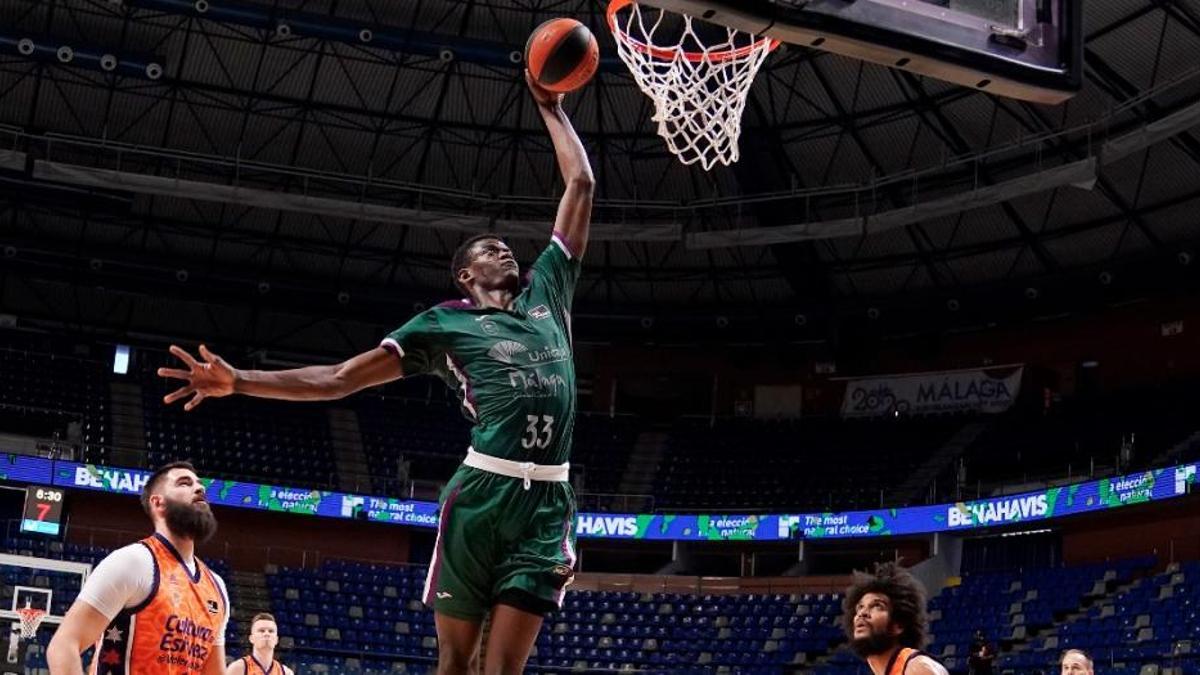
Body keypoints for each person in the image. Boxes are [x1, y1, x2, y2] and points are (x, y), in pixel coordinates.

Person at [156, 70, 593, 675]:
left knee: (503, 669)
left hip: (547, 498)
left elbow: (581, 181)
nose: (504, 251)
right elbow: (339, 378)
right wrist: (241, 381)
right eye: (488, 250)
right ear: (465, 276)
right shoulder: (444, 324)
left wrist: (550, 107)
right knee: (456, 663)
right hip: (481, 494)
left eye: (505, 246)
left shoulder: (549, 290)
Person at [47, 461, 229, 675]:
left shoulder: (216, 585)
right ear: (158, 503)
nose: (200, 488)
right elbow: (63, 645)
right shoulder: (134, 561)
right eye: (184, 483)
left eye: (199, 484)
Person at [841, 562, 950, 675]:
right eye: (860, 607)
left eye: (877, 606)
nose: (862, 613)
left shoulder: (918, 668)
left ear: (898, 625)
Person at [225, 614, 292, 675]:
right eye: (261, 630)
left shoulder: (286, 672)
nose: (267, 634)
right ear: (251, 638)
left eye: (271, 631)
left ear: (276, 640)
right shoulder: (237, 669)